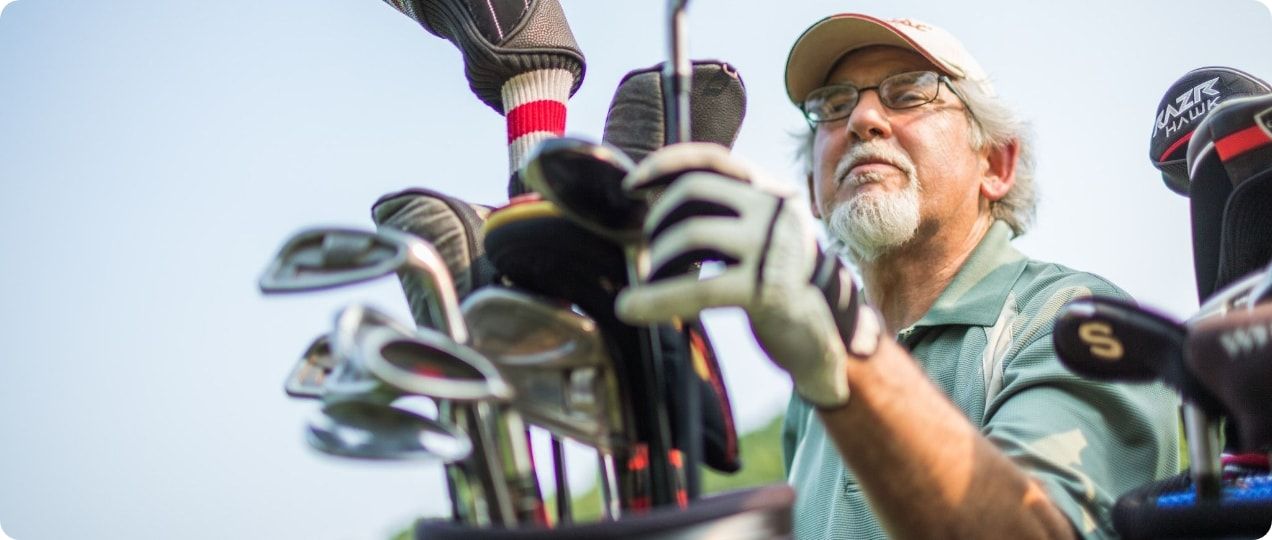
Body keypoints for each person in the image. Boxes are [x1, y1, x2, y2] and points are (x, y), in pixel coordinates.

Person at [616, 13, 1180, 539]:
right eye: (832, 107)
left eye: (909, 93)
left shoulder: (1075, 321)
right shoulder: (810, 393)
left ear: (997, 164)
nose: (861, 120)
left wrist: (847, 350)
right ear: (814, 190)